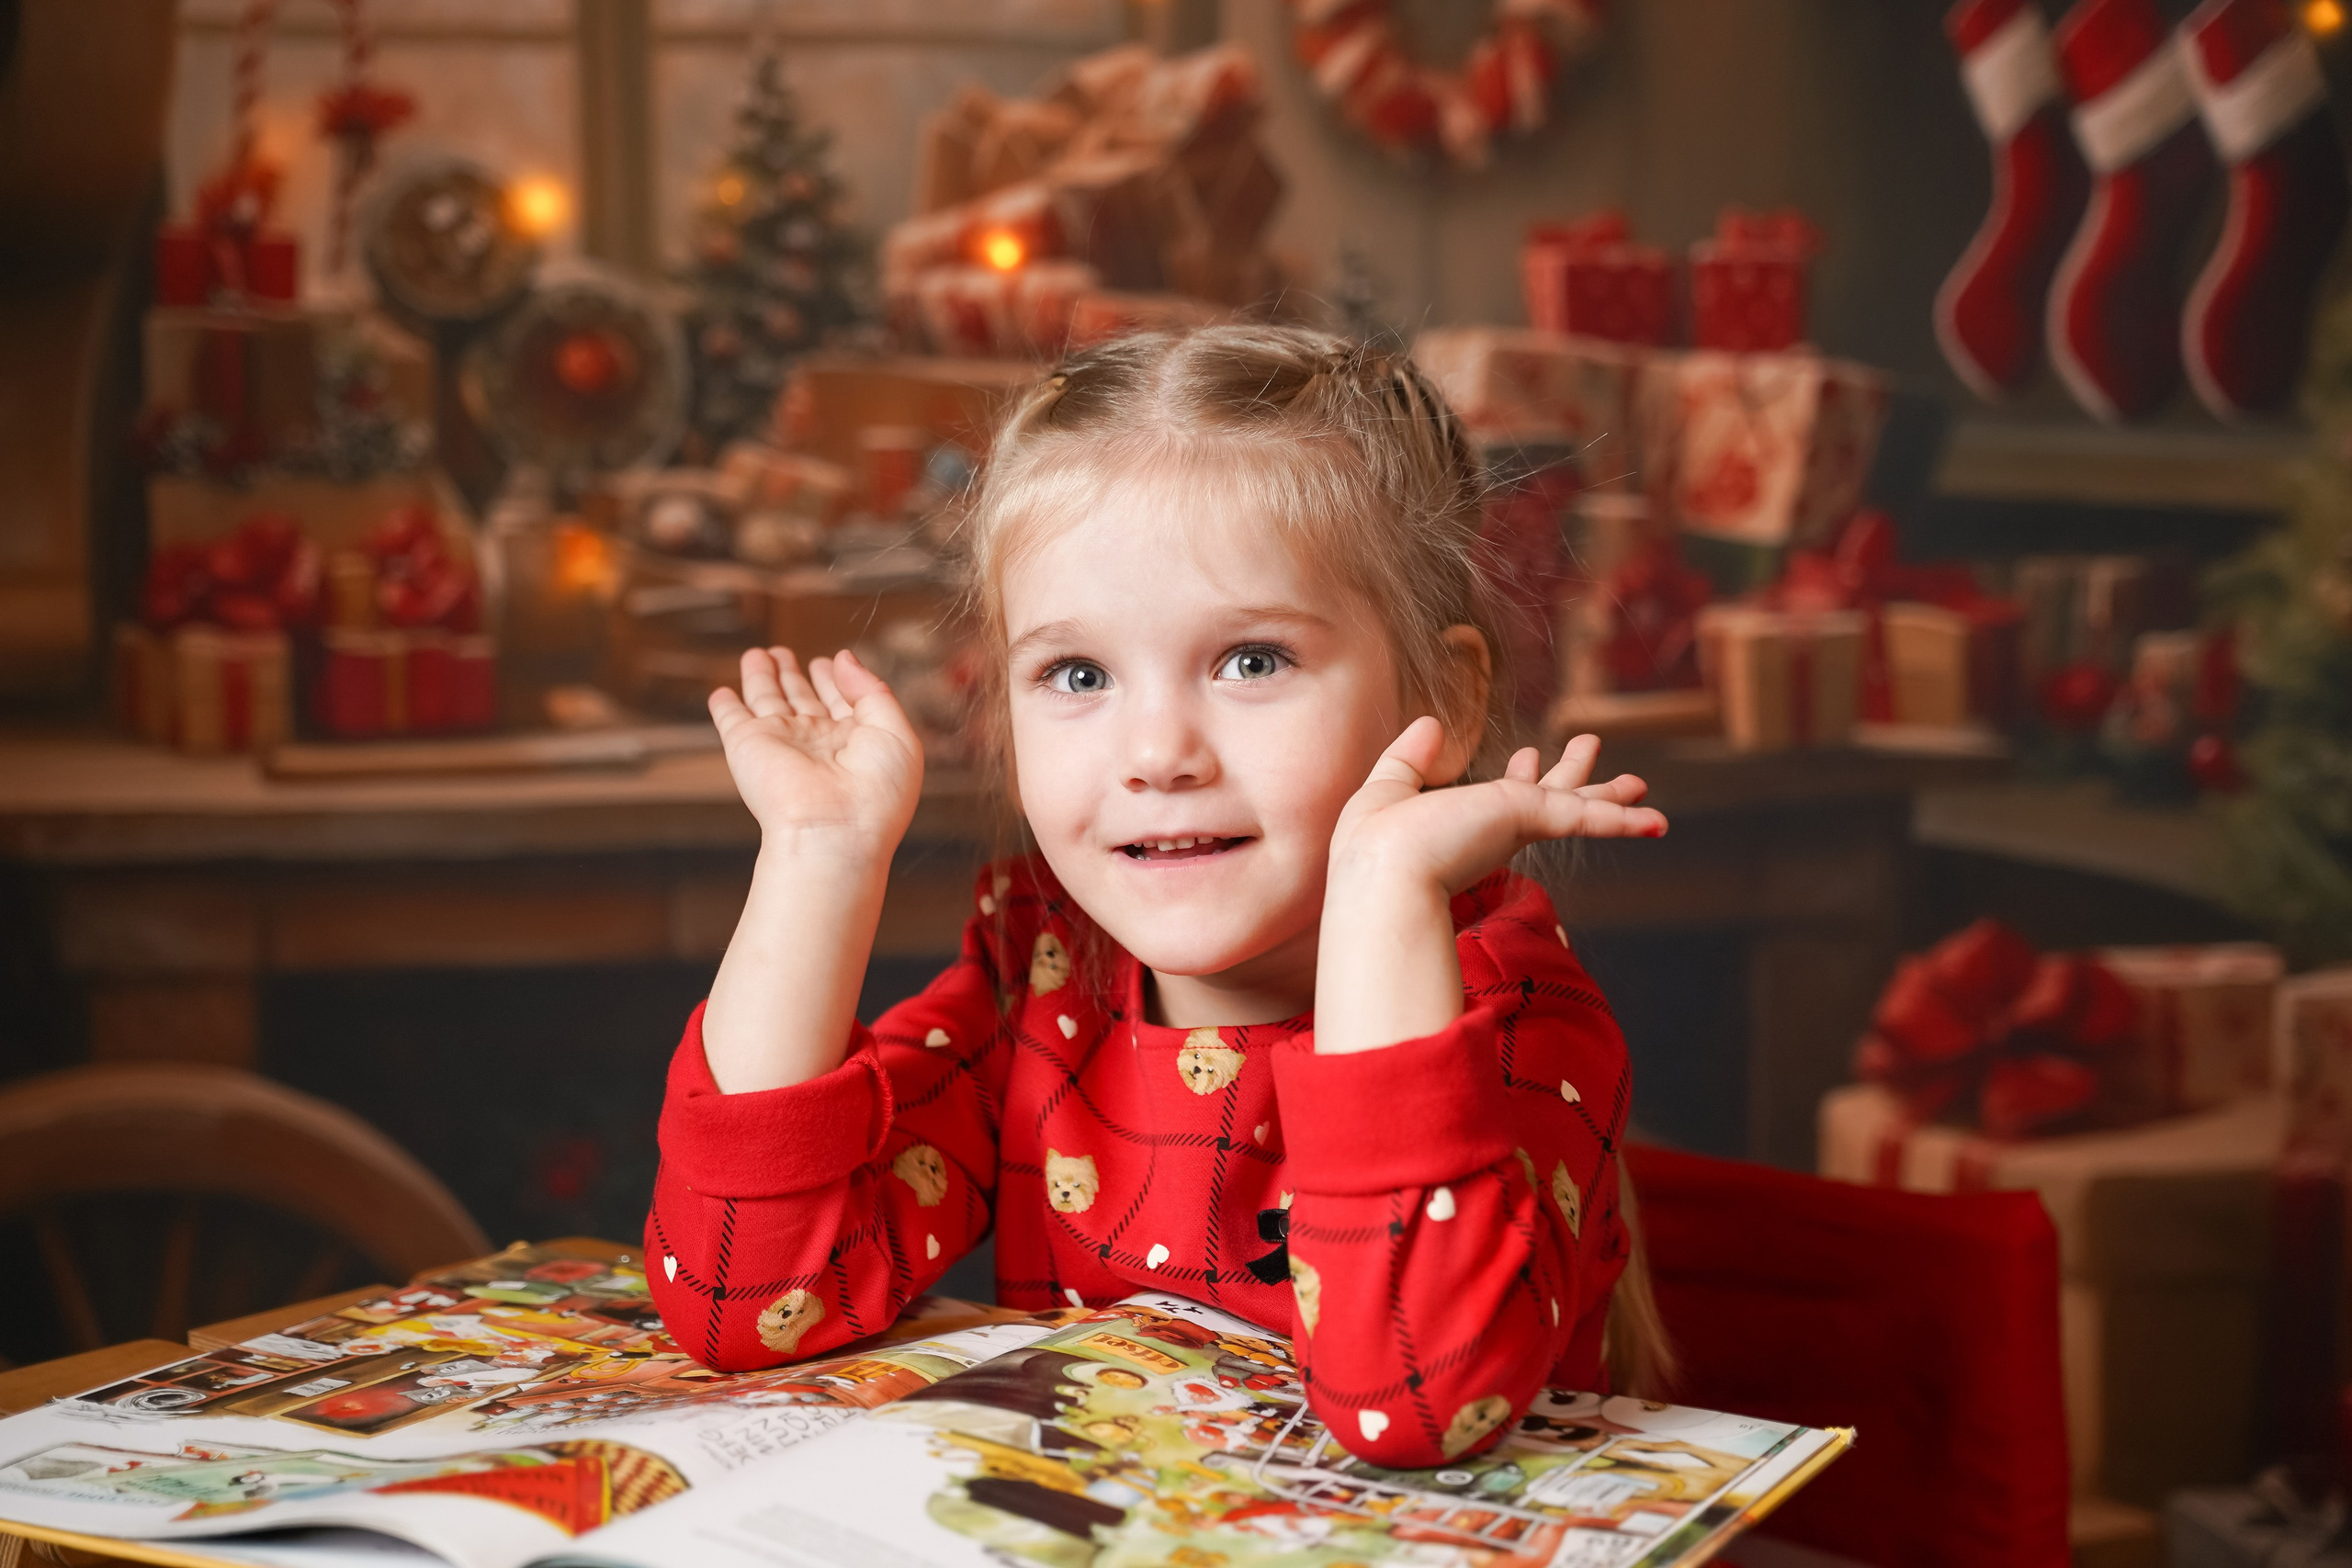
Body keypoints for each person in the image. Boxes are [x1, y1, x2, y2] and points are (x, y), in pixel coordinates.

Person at [645, 324, 1672, 1468]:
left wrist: (1384, 889)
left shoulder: (1509, 1012)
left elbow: (1415, 1404)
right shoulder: (1042, 973)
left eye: (1252, 660)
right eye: (1076, 674)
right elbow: (748, 1296)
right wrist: (818, 857)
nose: (1157, 752)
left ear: (1445, 697)